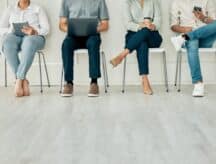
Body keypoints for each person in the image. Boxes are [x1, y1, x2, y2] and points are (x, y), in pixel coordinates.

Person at [110, 0, 162, 95]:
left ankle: (123, 54)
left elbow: (158, 20)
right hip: (133, 35)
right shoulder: (127, 2)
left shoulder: (154, 1)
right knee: (142, 44)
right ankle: (145, 80)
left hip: (152, 35)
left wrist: (152, 26)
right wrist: (140, 25)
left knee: (145, 31)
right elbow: (127, 23)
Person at [59, 0, 109, 98]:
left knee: (94, 43)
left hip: (92, 35)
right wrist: (72, 30)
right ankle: (69, 83)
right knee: (66, 44)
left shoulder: (99, 1)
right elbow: (61, 24)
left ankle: (94, 82)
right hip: (74, 36)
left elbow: (105, 25)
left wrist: (92, 29)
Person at [0, 0, 50, 97]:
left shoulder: (38, 9)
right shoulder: (9, 9)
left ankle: (19, 80)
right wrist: (12, 29)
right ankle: (24, 81)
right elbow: (1, 28)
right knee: (7, 43)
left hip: (34, 38)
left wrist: (34, 31)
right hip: (15, 36)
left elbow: (46, 29)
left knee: (28, 41)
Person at [170, 0, 216, 97]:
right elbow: (173, 26)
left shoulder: (207, 1)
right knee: (192, 40)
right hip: (189, 38)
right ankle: (198, 83)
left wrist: (203, 18)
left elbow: (214, 23)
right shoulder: (176, 3)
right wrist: (186, 30)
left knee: (192, 37)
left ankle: (183, 38)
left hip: (205, 38)